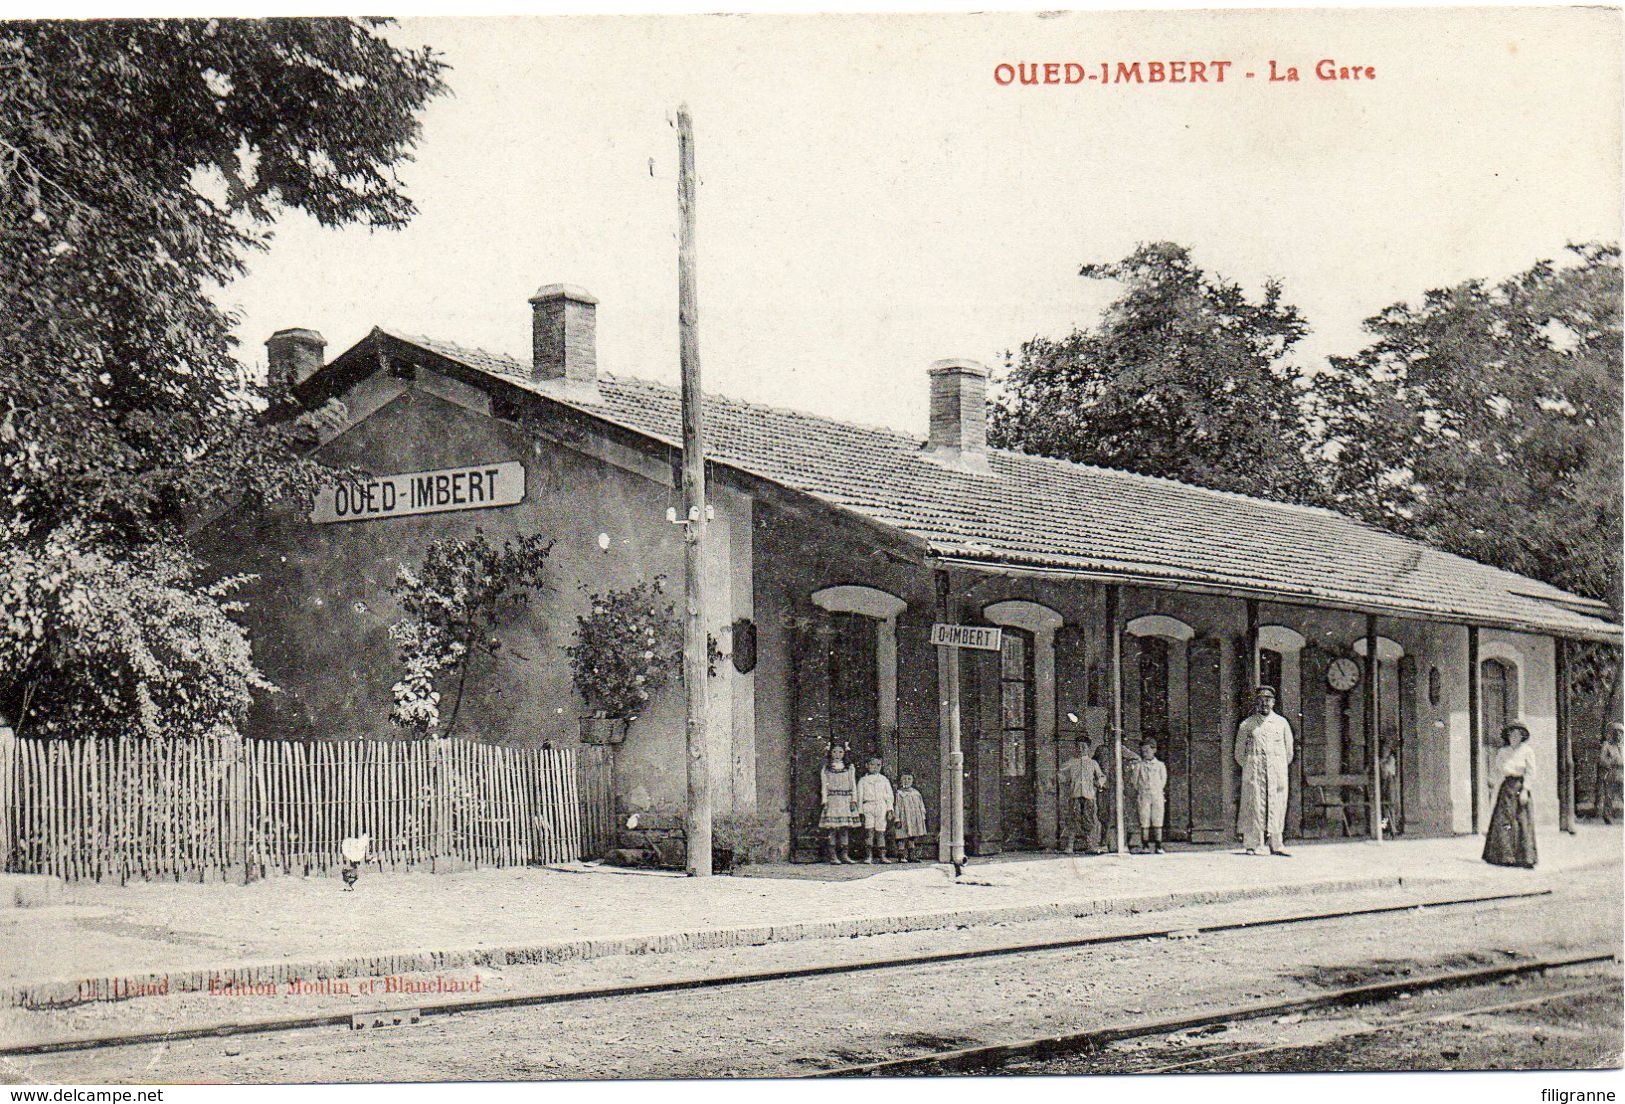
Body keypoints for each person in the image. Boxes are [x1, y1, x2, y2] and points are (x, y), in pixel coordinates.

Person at [1236, 685, 1294, 856]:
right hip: (1255, 772)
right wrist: (1251, 766)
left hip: (1276, 772)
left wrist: (1278, 766)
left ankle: (1277, 844)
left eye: (1268, 700)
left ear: (1273, 702)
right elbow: (1239, 753)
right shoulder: (1247, 724)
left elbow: (1289, 751)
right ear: (1256, 702)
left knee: (1277, 805)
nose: (1265, 703)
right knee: (1253, 805)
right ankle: (1253, 844)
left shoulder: (1282, 723)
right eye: (1261, 700)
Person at [1483, 722, 1538, 868]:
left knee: (1521, 819)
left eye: (1517, 734)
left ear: (1522, 736)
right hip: (1507, 787)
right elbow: (1497, 770)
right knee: (1504, 819)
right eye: (1511, 735)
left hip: (1520, 786)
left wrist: (1526, 789)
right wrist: (1492, 781)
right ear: (1508, 736)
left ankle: (1524, 857)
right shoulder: (1503, 752)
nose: (1514, 737)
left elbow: (1531, 772)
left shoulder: (1527, 751)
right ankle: (1504, 856)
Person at [1058, 740, 1105, 853]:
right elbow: (1060, 774)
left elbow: (1101, 776)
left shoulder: (1093, 763)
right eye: (1079, 746)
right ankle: (1069, 846)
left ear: (1088, 748)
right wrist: (1067, 784)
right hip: (1075, 794)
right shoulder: (1072, 763)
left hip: (1089, 795)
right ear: (1076, 748)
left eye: (1084, 746)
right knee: (1073, 819)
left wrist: (1099, 784)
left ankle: (1090, 845)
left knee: (1088, 820)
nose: (1081, 748)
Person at [819, 744, 861, 864]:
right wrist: (825, 801)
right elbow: (824, 786)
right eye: (835, 752)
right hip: (833, 799)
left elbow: (852, 783)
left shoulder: (849, 767)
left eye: (840, 752)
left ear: (844, 753)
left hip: (845, 799)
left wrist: (853, 800)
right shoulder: (826, 768)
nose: (837, 755)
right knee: (832, 829)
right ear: (830, 753)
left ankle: (844, 855)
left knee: (844, 829)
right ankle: (833, 856)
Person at [855, 757, 896, 863]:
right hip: (868, 807)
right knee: (869, 831)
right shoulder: (863, 781)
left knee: (881, 831)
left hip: (881, 807)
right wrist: (860, 811)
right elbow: (859, 797)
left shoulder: (884, 780)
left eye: (878, 765)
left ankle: (882, 856)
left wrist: (890, 809)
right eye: (872, 764)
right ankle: (869, 856)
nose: (875, 767)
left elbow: (889, 796)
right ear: (867, 765)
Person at [1135, 738, 1168, 854]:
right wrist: (1142, 789)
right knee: (1144, 819)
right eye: (1143, 751)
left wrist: (1156, 789)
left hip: (1157, 794)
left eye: (1147, 750)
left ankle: (1158, 846)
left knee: (1157, 819)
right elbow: (1134, 781)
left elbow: (1163, 780)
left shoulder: (1160, 765)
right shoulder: (1139, 765)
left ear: (1154, 750)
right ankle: (1145, 846)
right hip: (1144, 795)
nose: (1145, 753)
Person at [893, 772, 928, 862]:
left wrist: (922, 816)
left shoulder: (916, 793)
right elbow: (897, 806)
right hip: (903, 817)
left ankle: (911, 855)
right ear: (900, 780)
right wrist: (897, 819)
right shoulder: (899, 793)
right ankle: (901, 856)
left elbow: (921, 805)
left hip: (913, 818)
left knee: (911, 837)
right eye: (904, 779)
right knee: (902, 836)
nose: (906, 781)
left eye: (909, 779)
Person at [1598, 723, 1623, 825]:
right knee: (1609, 796)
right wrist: (1612, 762)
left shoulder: (1623, 746)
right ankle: (1608, 816)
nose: (1618, 735)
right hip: (1611, 773)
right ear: (1612, 734)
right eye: (1616, 733)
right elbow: (1602, 760)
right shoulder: (1607, 745)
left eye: (1621, 733)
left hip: (1623, 773)